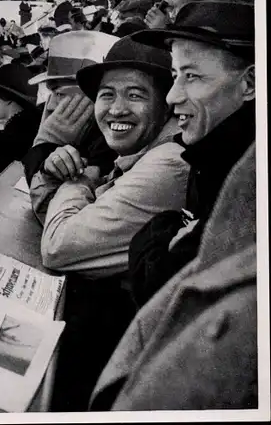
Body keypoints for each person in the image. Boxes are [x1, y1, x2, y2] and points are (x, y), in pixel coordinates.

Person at [31, 35, 189, 412]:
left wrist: (75, 181)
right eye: (107, 94)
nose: (117, 109)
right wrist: (53, 163)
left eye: (135, 95)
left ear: (165, 106)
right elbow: (52, 215)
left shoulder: (169, 162)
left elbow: (59, 247)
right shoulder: (141, 152)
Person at [90, 141, 257, 411]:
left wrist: (68, 183)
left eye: (135, 95)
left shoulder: (177, 160)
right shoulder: (213, 161)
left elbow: (60, 246)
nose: (174, 96)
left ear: (248, 94)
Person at [129, 0, 255, 307]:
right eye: (175, 75)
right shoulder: (212, 155)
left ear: (250, 83)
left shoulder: (245, 180)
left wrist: (162, 228)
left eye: (192, 76)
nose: (172, 97)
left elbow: (161, 287)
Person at [22, 30, 120, 189]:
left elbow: (44, 197)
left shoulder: (110, 144)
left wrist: (47, 142)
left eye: (59, 93)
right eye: (51, 92)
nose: (52, 103)